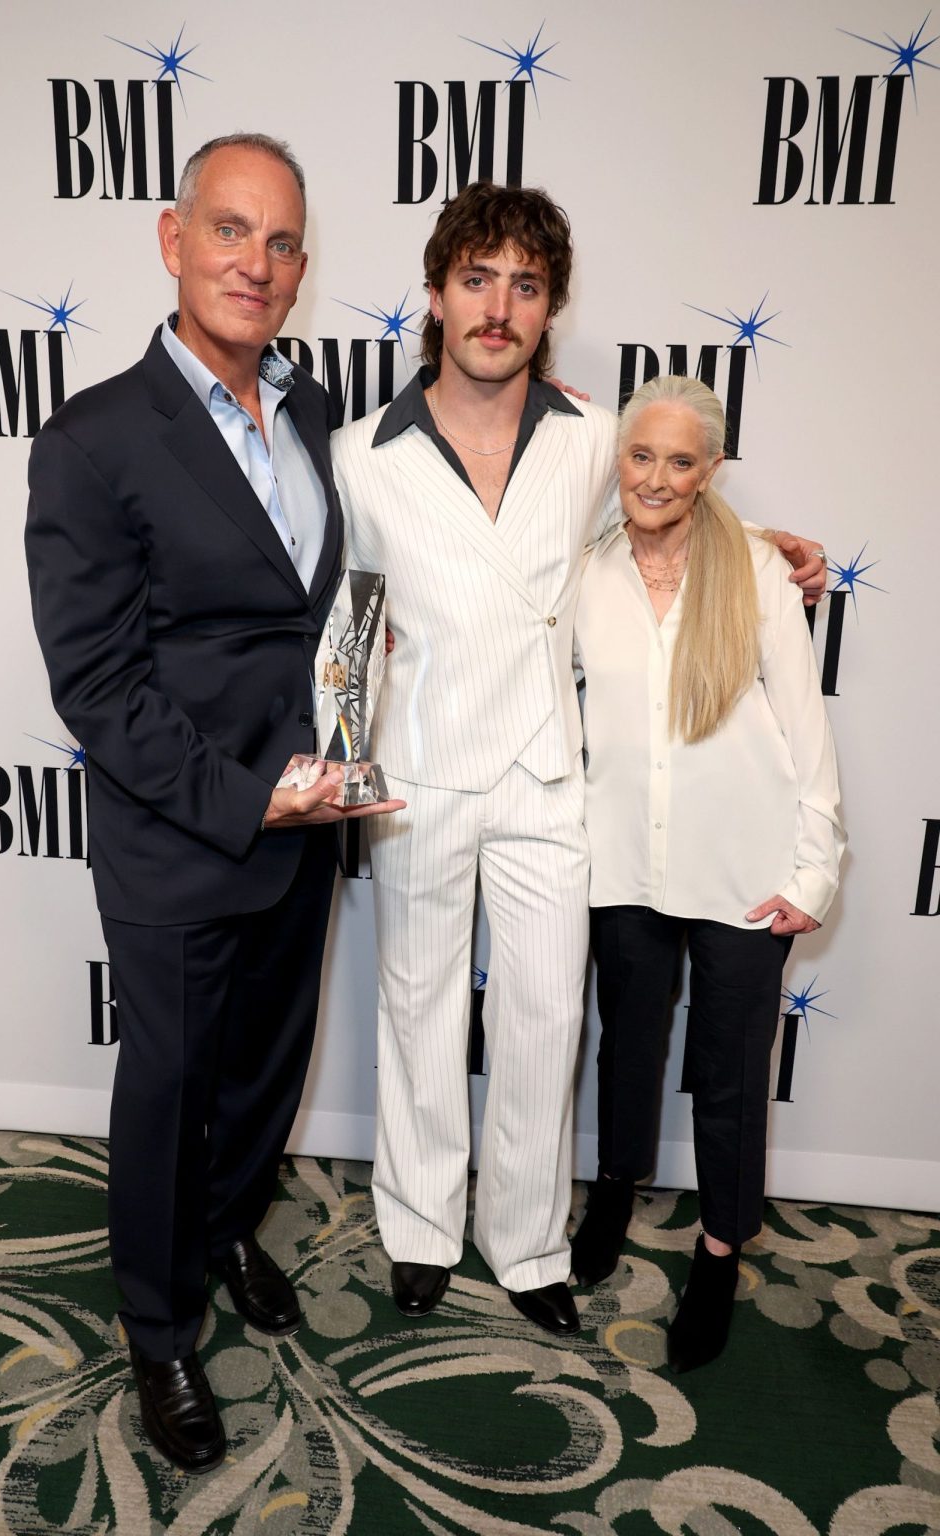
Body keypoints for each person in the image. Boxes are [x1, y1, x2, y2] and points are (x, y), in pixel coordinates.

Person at [331, 181, 829, 1338]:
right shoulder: (363, 454)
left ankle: (525, 1242)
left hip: (554, 773)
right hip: (419, 774)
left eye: (525, 284)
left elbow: (675, 507)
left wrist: (770, 548)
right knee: (416, 1008)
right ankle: (416, 1224)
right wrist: (352, 769)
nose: (498, 306)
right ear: (437, 291)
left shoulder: (593, 436)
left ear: (548, 305)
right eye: (477, 279)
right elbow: (349, 626)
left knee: (549, 1017)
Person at [24, 133, 400, 1474]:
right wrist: (248, 800)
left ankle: (234, 1223)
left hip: (306, 831)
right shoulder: (93, 439)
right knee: (171, 1088)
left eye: (283, 241)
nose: (258, 261)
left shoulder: (304, 411)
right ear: (172, 239)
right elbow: (100, 688)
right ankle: (159, 1330)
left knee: (264, 1074)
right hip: (184, 836)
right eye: (231, 230)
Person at [570, 374, 845, 1372]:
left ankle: (721, 1250)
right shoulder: (584, 571)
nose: (653, 476)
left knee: (730, 1071)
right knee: (627, 1045)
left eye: (679, 460)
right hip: (623, 861)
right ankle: (610, 1192)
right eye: (639, 454)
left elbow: (805, 728)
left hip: (743, 867)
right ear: (616, 456)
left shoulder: (758, 576)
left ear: (709, 472)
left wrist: (813, 874)